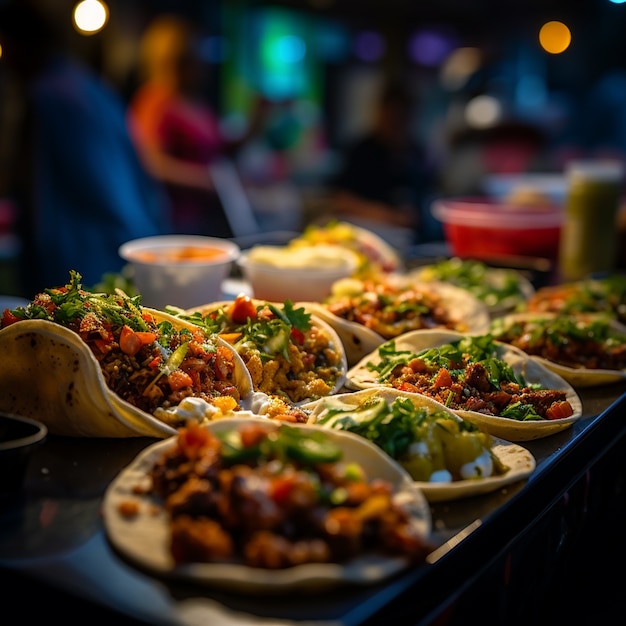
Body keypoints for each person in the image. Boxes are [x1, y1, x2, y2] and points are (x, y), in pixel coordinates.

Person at [0, 1, 170, 297]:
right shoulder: (88, 85)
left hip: (80, 258)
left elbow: (29, 187)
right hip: (129, 242)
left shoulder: (46, 96)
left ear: (18, 44)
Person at [127, 14, 269, 238]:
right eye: (197, 56)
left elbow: (221, 150)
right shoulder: (156, 100)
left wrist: (257, 121)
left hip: (207, 217)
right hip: (173, 221)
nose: (205, 63)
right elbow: (150, 162)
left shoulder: (196, 102)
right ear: (177, 59)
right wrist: (209, 180)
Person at [326, 78, 438, 248]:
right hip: (368, 235)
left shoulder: (417, 153)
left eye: (402, 116)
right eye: (392, 114)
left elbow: (428, 201)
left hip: (410, 241)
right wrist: (390, 216)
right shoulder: (362, 150)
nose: (396, 121)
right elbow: (342, 201)